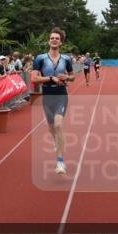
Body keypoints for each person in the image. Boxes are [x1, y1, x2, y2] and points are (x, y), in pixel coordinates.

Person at [31, 27, 75, 174]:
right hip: (47, 95)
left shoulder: (66, 59)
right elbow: (34, 78)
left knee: (58, 125)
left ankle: (60, 162)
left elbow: (72, 76)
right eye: (52, 38)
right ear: (49, 41)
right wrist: (50, 78)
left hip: (61, 95)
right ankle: (58, 143)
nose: (54, 40)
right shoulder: (40, 58)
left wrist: (66, 78)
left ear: (61, 42)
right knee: (51, 128)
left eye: (57, 38)